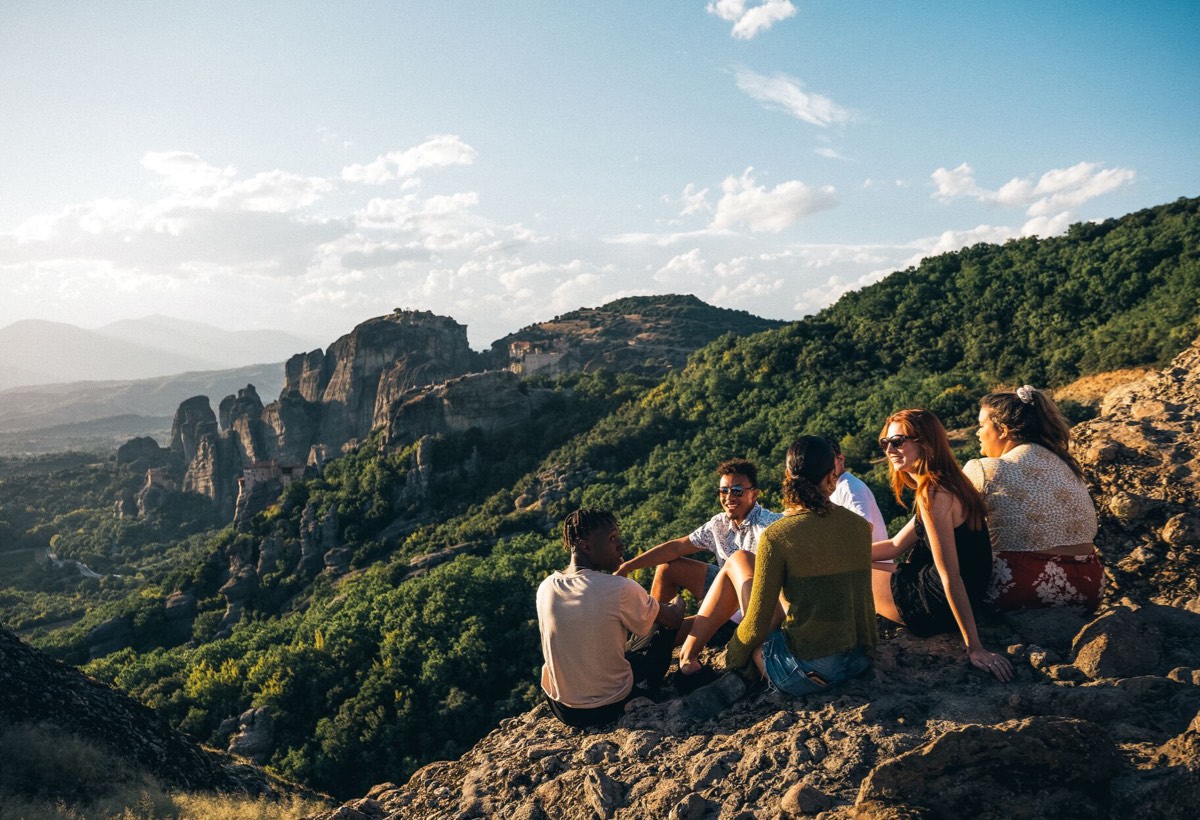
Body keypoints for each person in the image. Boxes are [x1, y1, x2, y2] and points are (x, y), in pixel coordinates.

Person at [678, 436, 877, 696]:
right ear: (832, 476)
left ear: (787, 474)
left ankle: (687, 661)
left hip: (806, 674)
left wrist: (736, 658)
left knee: (738, 561)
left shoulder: (778, 534)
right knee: (741, 560)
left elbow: (758, 621)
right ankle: (688, 659)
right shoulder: (859, 527)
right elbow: (863, 601)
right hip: (859, 660)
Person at [872, 409, 1013, 682]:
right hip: (957, 593)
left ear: (925, 442)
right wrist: (838, 554)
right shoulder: (948, 482)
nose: (889, 449)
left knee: (851, 572)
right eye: (885, 443)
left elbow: (950, 575)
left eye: (898, 441)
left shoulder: (933, 494)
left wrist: (975, 648)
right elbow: (894, 545)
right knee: (854, 562)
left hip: (934, 605)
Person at [537, 508, 684, 728]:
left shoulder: (546, 586)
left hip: (563, 709)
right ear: (586, 546)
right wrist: (678, 602)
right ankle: (642, 689)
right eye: (612, 538)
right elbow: (672, 619)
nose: (620, 545)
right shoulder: (618, 588)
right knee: (662, 628)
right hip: (608, 707)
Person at [963, 385, 1103, 611]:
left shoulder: (986, 468)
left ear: (1003, 429)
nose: (977, 433)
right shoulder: (1067, 465)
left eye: (981, 426)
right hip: (1088, 586)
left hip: (1022, 587)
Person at [615, 459, 781, 642]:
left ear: (754, 494)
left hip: (749, 604)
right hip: (725, 587)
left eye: (737, 491)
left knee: (669, 637)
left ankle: (649, 640)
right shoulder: (719, 524)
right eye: (723, 491)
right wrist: (628, 567)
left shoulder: (769, 526)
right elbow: (677, 547)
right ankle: (650, 626)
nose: (729, 497)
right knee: (668, 568)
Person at [828, 438, 889, 542]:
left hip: (871, 559)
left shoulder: (850, 488)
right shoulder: (839, 488)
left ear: (841, 459)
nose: (825, 468)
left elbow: (863, 530)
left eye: (828, 462)